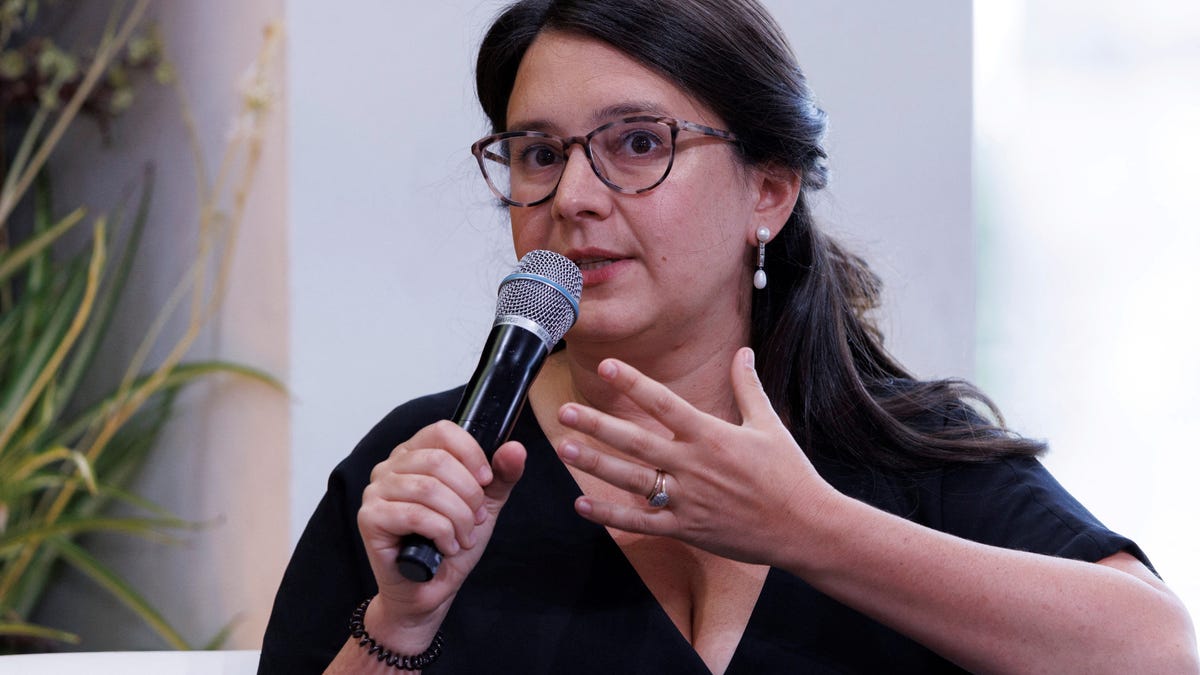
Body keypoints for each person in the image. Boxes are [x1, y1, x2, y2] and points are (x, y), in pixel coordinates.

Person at [259, 0, 1198, 672]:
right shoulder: (429, 474)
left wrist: (806, 527)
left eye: (637, 142)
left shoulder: (898, 446)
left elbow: (1156, 653)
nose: (575, 197)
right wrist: (402, 622)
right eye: (540, 154)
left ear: (770, 190)